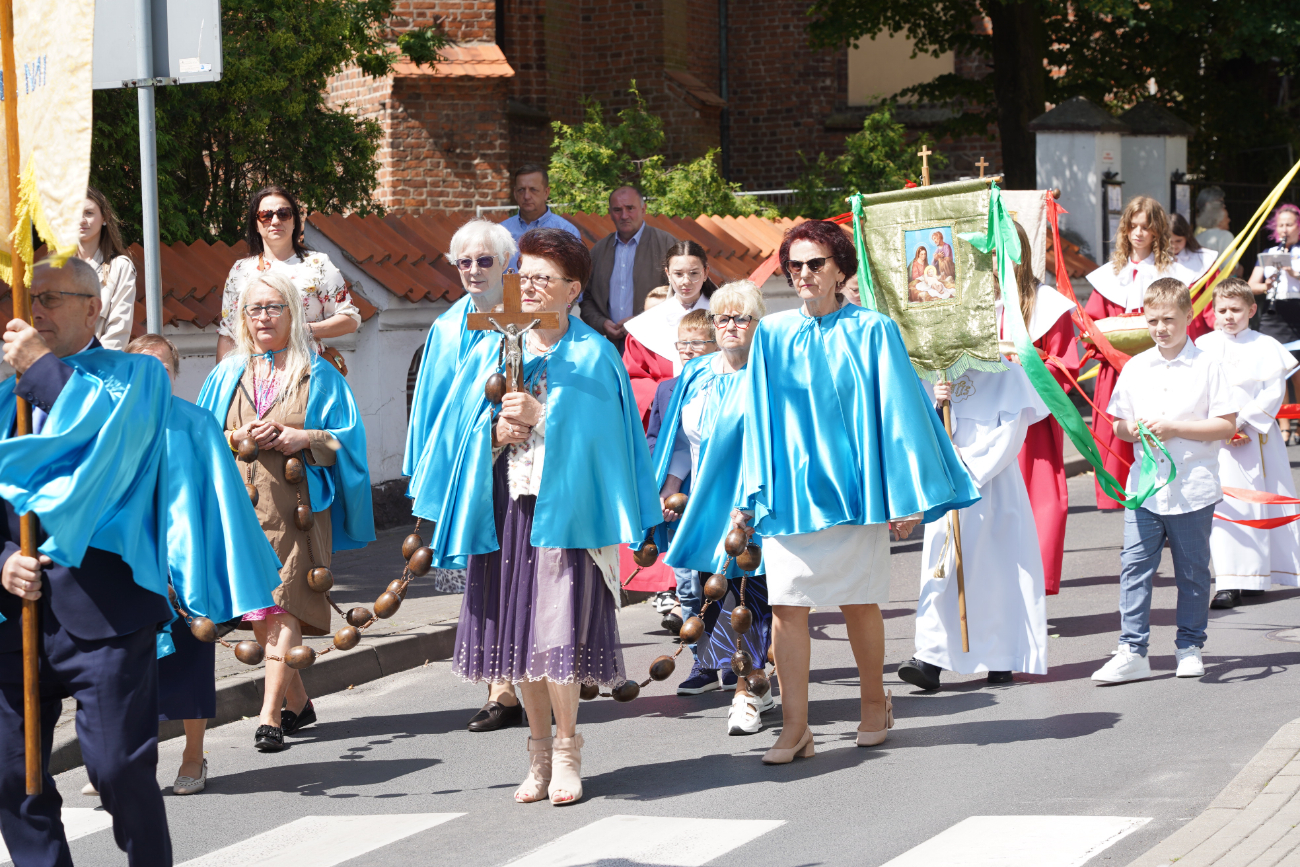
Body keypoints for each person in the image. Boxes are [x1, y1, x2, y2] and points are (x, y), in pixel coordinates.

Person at [0, 258, 279, 866]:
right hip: (15, 614)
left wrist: (42, 373)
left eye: (51, 298)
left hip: (106, 611)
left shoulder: (138, 381)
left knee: (116, 772)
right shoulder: (4, 397)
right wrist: (1, 560)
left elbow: (109, 446)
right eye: (30, 299)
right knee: (11, 776)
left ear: (94, 307)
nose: (36, 311)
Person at [416, 227, 658, 805]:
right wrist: (493, 431)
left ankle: (570, 751)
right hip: (507, 510)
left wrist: (543, 416)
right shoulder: (495, 345)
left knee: (557, 636)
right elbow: (458, 431)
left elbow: (605, 446)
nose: (526, 285)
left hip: (565, 512)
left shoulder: (593, 355)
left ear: (573, 290)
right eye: (522, 274)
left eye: (542, 277)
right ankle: (538, 753)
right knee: (519, 638)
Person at [734, 221, 978, 764]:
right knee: (787, 607)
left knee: (857, 601)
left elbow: (900, 414)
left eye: (815, 264)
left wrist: (907, 495)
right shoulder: (770, 334)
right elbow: (758, 417)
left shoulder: (874, 330)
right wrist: (749, 493)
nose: (803, 274)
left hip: (855, 491)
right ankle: (795, 727)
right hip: (790, 491)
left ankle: (874, 702)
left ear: (840, 269)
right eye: (793, 265)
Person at [198, 271, 374, 752]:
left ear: (292, 313)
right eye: (254, 309)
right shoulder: (226, 373)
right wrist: (237, 438)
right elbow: (204, 438)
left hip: (296, 511)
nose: (263, 318)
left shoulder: (318, 372)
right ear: (243, 318)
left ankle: (269, 716)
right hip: (242, 511)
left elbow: (348, 440)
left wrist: (304, 438)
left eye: (274, 307)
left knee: (283, 602)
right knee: (261, 607)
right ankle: (298, 702)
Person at [406, 218, 527, 733]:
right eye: (464, 261)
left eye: (485, 260)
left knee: (531, 568)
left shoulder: (528, 314)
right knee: (485, 569)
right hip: (473, 464)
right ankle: (499, 687)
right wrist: (431, 469)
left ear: (507, 264)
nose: (474, 270)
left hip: (526, 461)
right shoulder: (448, 326)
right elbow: (433, 408)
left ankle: (542, 674)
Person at [1092, 278, 1238, 684]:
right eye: (1153, 320)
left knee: (1191, 570)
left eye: (1169, 319)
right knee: (1134, 567)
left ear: (1189, 316)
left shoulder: (1208, 365)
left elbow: (1226, 424)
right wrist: (1131, 430)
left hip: (1192, 486)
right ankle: (1132, 649)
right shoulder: (1137, 366)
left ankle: (1189, 646)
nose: (1161, 328)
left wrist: (1176, 427)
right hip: (1145, 488)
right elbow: (1118, 422)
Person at [655, 281, 777, 734]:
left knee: (751, 597)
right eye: (722, 318)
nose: (729, 326)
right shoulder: (698, 372)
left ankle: (746, 692)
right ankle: (746, 678)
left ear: (757, 323)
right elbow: (684, 441)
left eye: (740, 317)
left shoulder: (769, 373)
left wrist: (751, 501)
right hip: (706, 501)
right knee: (712, 591)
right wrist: (667, 487)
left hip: (755, 500)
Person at [898, 357, 1050, 690]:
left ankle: (1001, 657)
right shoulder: (934, 373)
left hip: (993, 488)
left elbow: (1011, 436)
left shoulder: (1008, 374)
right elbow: (916, 425)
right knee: (941, 569)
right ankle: (931, 657)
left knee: (996, 572)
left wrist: (964, 461)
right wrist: (937, 405)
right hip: (950, 486)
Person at [125, 335, 213, 796]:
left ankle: (194, 756)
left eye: (162, 366)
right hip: (129, 566)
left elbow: (218, 501)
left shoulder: (197, 422)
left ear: (174, 373)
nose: (153, 373)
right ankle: (125, 761)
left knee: (191, 662)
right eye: (142, 365)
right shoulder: (112, 424)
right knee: (126, 669)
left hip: (185, 566)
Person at [1083, 196, 1196, 510]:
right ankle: (1121, 496)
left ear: (1157, 231)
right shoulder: (1109, 275)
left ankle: (1170, 496)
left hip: (1163, 364)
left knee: (1165, 422)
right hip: (1116, 366)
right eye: (1132, 226)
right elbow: (1093, 323)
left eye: (1146, 227)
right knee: (1118, 425)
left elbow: (1187, 319)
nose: (1138, 233)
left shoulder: (1174, 272)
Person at [1195, 279, 1300, 609]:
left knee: (1260, 501)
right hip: (1217, 440)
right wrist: (1219, 424)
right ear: (1212, 312)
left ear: (1251, 311)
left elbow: (1273, 389)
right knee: (1224, 506)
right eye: (1222, 310)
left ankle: (1257, 576)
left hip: (1257, 436)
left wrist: (1243, 421)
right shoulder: (1202, 344)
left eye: (1236, 310)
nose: (1229, 316)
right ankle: (1228, 580)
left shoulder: (1265, 345)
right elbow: (1197, 388)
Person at [999, 222, 1079, 596]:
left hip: (1031, 421)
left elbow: (1064, 365)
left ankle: (1030, 590)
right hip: (983, 422)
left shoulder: (1046, 305)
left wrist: (1019, 374)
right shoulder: (969, 304)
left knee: (1038, 505)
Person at [216, 184, 361, 363]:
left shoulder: (317, 264)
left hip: (307, 372)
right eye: (266, 215)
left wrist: (304, 330)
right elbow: (228, 334)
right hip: (255, 377)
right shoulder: (240, 271)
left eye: (283, 214)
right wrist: (224, 384)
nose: (275, 221)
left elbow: (350, 319)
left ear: (294, 222)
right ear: (256, 224)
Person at [646, 308, 719, 638]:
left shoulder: (730, 385)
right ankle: (700, 661)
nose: (687, 349)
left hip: (720, 495)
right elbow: (658, 442)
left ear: (716, 345)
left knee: (720, 581)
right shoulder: (667, 389)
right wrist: (659, 488)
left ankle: (734, 659)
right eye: (682, 343)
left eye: (697, 342)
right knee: (688, 583)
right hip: (681, 500)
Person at [623, 240, 717, 424]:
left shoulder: (724, 317)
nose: (686, 281)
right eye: (678, 274)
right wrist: (661, 397)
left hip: (715, 409)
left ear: (706, 272)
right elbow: (633, 375)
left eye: (694, 273)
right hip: (663, 414)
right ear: (667, 273)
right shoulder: (644, 326)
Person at [581, 186, 678, 349]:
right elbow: (586, 298)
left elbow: (681, 296)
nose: (624, 215)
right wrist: (602, 323)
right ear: (610, 213)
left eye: (630, 208)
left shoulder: (667, 245)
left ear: (643, 209)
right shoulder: (599, 251)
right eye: (617, 209)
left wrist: (641, 321)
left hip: (655, 345)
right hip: (610, 346)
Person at [1248, 204, 1300, 443]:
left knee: (1298, 372)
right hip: (1274, 313)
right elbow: (1251, 286)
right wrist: (1266, 285)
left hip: (1296, 311)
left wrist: (1295, 273)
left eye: (1289, 224)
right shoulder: (1268, 253)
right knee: (1276, 371)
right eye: (1281, 225)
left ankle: (1298, 421)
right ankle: (1284, 424)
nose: (1284, 229)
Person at [77, 186, 136, 350]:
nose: (81, 220)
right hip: (58, 369)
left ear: (104, 217)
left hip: (98, 369)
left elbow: (118, 332)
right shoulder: (54, 268)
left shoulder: (120, 267)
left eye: (88, 213)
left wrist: (90, 369)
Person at [501, 164, 581, 271]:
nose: (526, 196)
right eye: (521, 190)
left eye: (533, 190)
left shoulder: (566, 232)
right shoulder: (501, 232)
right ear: (515, 193)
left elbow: (575, 276)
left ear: (546, 193)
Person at [1195, 188, 1235, 254]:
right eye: (1221, 202)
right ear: (1208, 205)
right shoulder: (1224, 235)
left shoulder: (1198, 236)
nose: (1224, 205)